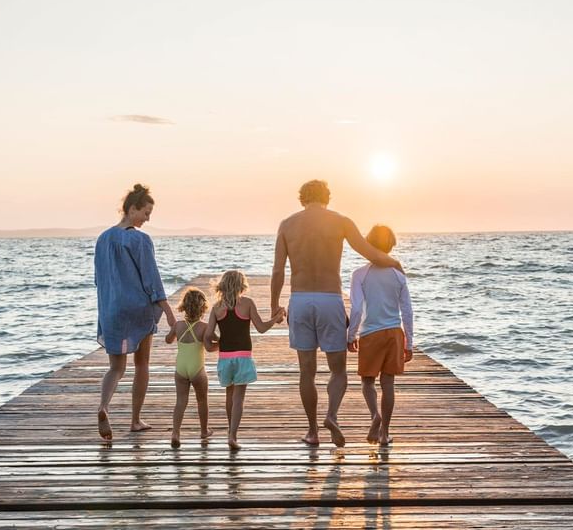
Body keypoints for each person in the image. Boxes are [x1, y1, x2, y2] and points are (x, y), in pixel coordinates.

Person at [271, 179, 403, 447]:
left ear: (302, 198)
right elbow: (370, 253)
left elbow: (277, 271)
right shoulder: (341, 221)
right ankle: (331, 415)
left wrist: (275, 305)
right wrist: (395, 263)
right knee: (338, 370)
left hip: (299, 298)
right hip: (330, 298)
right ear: (327, 197)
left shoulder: (287, 225)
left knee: (306, 371)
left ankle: (312, 432)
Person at [94, 184, 176, 441]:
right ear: (132, 209)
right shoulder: (139, 239)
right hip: (138, 309)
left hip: (111, 310)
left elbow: (99, 279)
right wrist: (169, 312)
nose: (148, 218)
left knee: (116, 368)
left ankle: (103, 407)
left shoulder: (103, 238)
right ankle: (135, 420)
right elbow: (152, 279)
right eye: (146, 212)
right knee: (142, 364)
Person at [347, 225, 414, 446]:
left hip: (370, 333)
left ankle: (375, 415)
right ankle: (385, 433)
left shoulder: (360, 275)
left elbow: (356, 309)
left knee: (367, 382)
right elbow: (407, 311)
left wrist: (350, 335)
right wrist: (409, 343)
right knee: (388, 383)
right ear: (391, 245)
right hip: (394, 333)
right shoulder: (398, 275)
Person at [204, 270, 284, 450]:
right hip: (243, 357)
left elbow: (208, 336)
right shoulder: (247, 304)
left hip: (225, 358)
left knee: (229, 395)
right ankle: (233, 435)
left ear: (222, 286)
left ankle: (229, 432)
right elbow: (262, 328)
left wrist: (217, 345)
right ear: (241, 286)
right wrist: (276, 318)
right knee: (239, 398)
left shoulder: (217, 308)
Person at [165, 287, 216, 449]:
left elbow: (168, 340)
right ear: (203, 308)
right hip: (197, 370)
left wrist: (173, 331)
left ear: (184, 307)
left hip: (180, 368)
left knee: (180, 401)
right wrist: (221, 343)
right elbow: (212, 344)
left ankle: (175, 433)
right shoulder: (204, 327)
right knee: (202, 400)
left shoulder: (179, 325)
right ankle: (203, 430)